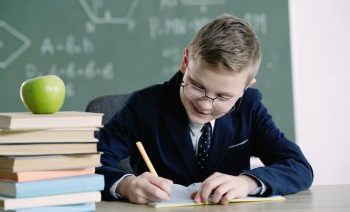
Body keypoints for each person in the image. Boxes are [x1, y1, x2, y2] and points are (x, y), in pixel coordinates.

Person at [96, 14, 313, 205]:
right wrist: (126, 185)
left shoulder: (249, 107)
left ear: (245, 89)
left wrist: (247, 182)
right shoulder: (144, 105)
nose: (205, 104)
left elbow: (298, 166)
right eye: (198, 87)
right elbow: (90, 163)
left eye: (222, 97)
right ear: (185, 62)